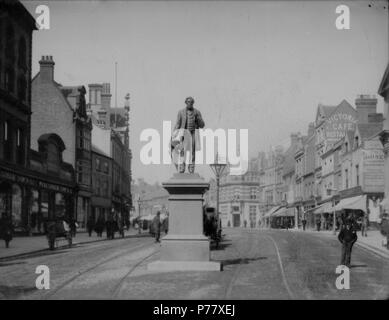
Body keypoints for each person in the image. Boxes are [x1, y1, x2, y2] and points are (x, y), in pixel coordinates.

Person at [171, 96, 205, 174]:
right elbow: (177, 124)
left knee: (192, 152)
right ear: (186, 103)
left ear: (193, 103)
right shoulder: (181, 112)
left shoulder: (197, 112)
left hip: (193, 134)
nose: (190, 103)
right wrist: (174, 133)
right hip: (184, 134)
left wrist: (198, 118)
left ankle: (191, 167)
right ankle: (182, 167)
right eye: (188, 102)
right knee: (183, 151)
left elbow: (202, 125)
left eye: (191, 102)